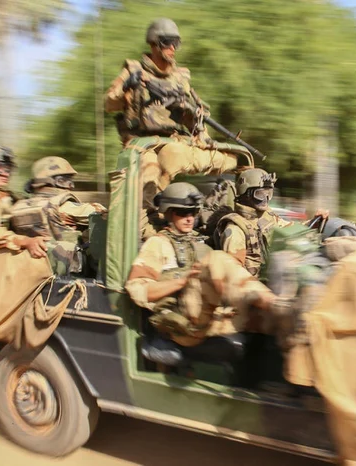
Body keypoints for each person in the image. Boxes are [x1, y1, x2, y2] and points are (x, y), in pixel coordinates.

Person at [104, 18, 245, 239]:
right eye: (167, 42)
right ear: (153, 44)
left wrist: (197, 121)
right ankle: (146, 230)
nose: (172, 48)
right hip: (143, 145)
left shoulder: (181, 77)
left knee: (233, 159)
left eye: (176, 43)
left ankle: (236, 217)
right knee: (151, 173)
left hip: (176, 141)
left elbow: (194, 120)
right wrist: (126, 86)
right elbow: (109, 104)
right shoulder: (134, 70)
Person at [124, 182, 291, 349]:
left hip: (210, 316)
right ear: (169, 212)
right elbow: (137, 289)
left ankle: (286, 310)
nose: (190, 218)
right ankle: (275, 303)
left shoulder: (199, 240)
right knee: (217, 259)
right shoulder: (158, 244)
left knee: (283, 325)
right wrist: (181, 282)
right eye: (182, 213)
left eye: (193, 212)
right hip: (182, 321)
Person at [215, 168, 329, 277]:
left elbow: (289, 230)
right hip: (257, 286)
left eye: (269, 193)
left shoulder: (267, 215)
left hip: (279, 273)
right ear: (246, 194)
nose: (265, 199)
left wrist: (313, 223)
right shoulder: (236, 229)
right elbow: (233, 274)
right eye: (260, 194)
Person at [10, 156, 108, 275]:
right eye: (66, 180)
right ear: (53, 181)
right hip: (69, 271)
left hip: (31, 269)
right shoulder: (63, 205)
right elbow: (107, 216)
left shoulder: (18, 207)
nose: (71, 186)